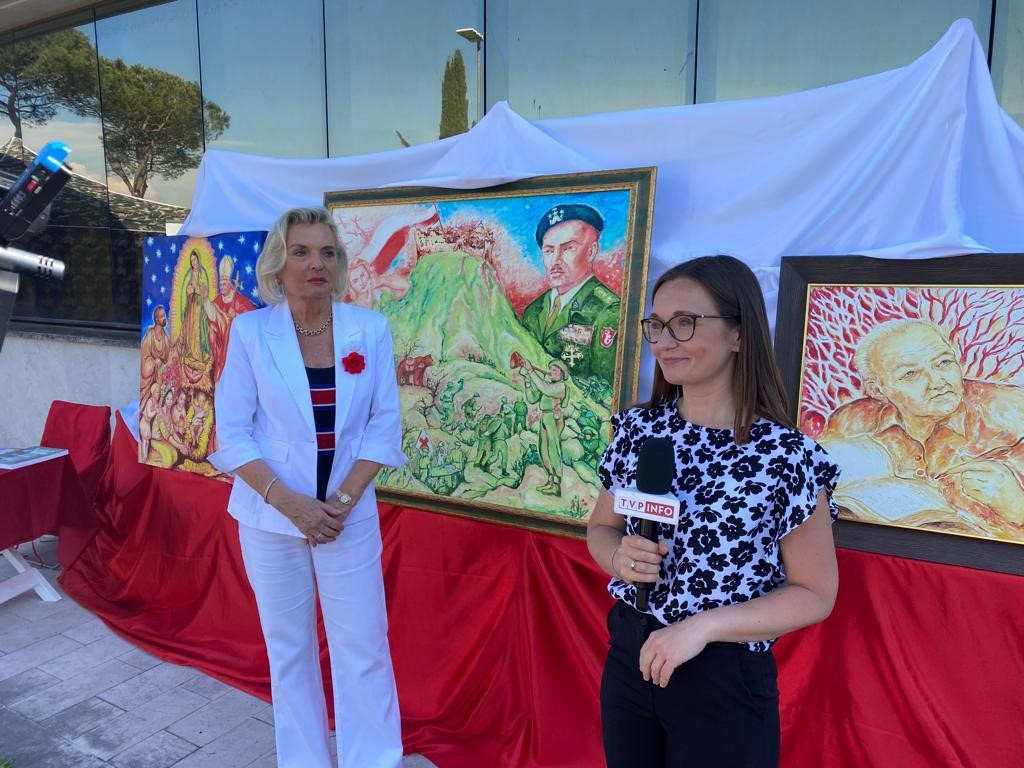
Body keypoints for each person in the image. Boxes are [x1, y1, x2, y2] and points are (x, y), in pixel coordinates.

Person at [586, 255, 840, 767]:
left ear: (739, 334)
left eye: (685, 323)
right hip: (631, 653)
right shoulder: (638, 431)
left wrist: (700, 628)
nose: (664, 341)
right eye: (657, 325)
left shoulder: (785, 456)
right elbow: (601, 528)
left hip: (722, 674)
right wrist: (619, 558)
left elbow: (815, 593)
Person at [209, 206, 407, 768]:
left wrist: (340, 502)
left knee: (363, 647)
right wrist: (291, 504)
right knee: (290, 652)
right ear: (278, 263)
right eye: (301, 251)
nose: (315, 263)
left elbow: (383, 425)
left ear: (339, 263)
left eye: (326, 252)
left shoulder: (370, 329)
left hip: (347, 518)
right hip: (271, 520)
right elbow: (232, 432)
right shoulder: (250, 332)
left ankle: (374, 760)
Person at [823, 319, 1024, 538]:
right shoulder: (851, 421)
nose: (937, 382)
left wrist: (1017, 507)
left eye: (944, 363)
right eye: (910, 374)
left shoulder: (1014, 412)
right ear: (878, 390)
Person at [520, 204, 620, 385]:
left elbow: (608, 390)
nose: (555, 261)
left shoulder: (608, 311)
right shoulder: (533, 311)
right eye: (549, 251)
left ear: (591, 251)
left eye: (568, 248)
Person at [521, 360, 568, 495]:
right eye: (551, 369)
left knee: (553, 449)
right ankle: (550, 480)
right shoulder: (548, 384)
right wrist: (528, 380)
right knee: (543, 450)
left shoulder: (561, 387)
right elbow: (532, 398)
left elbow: (545, 389)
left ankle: (557, 485)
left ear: (562, 374)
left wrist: (531, 371)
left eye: (555, 370)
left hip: (554, 418)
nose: (551, 372)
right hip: (545, 417)